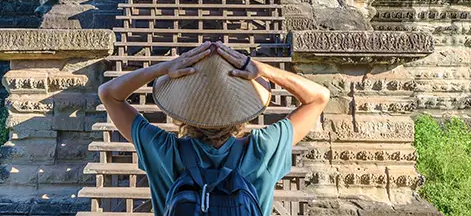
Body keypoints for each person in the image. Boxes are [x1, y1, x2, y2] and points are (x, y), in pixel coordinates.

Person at [98, 40, 330, 216]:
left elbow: (108, 94)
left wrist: (164, 68)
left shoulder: (163, 150)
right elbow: (318, 97)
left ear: (182, 114)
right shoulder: (263, 148)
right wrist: (261, 69)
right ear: (242, 113)